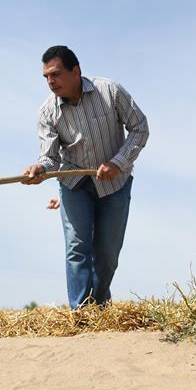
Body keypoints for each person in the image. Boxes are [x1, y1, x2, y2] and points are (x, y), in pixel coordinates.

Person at [23, 45, 149, 309]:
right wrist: (40, 169)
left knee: (106, 255)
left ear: (76, 71)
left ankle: (100, 306)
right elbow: (49, 157)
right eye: (46, 77)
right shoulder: (47, 113)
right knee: (77, 247)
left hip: (115, 184)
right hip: (74, 185)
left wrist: (118, 162)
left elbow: (139, 128)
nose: (50, 82)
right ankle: (80, 313)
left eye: (55, 74)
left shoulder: (110, 92)